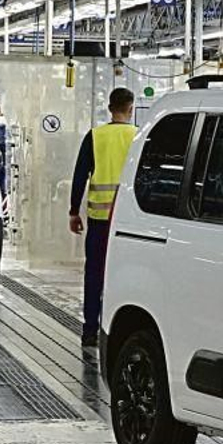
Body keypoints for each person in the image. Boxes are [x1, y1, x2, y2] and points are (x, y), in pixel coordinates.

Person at [69, 87, 137, 348]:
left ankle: (89, 331)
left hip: (99, 220)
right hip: (128, 222)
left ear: (109, 108)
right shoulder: (138, 136)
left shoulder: (95, 136)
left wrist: (74, 211)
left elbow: (79, 177)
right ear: (131, 109)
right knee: (127, 275)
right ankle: (119, 331)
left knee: (94, 273)